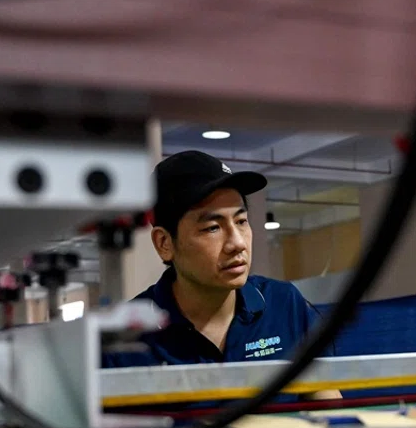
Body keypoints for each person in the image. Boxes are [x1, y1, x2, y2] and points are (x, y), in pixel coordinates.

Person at [104, 150, 339, 399]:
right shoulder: (125, 338)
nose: (237, 243)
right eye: (212, 227)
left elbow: (330, 414)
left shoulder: (284, 304)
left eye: (241, 221)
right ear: (164, 243)